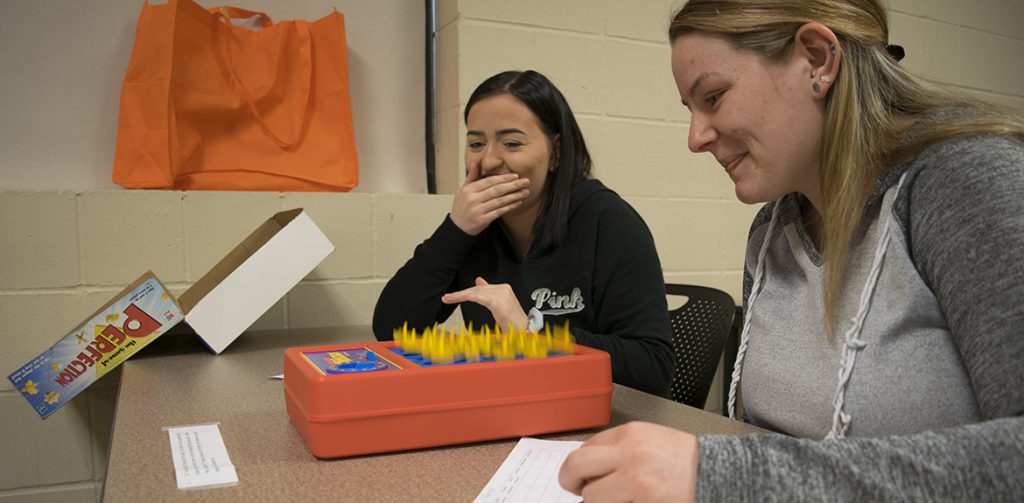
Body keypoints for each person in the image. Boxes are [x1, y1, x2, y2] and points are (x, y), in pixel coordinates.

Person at [559, 0, 1024, 500]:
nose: (695, 138)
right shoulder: (771, 231)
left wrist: (721, 475)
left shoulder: (966, 180)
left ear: (818, 60)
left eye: (713, 96)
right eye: (690, 110)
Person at [372, 70, 674, 396]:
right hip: (507, 410)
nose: (488, 161)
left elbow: (652, 367)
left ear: (555, 153)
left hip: (595, 419)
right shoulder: (474, 230)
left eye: (512, 143)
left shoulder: (609, 221)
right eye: (476, 143)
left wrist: (533, 334)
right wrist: (455, 229)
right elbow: (391, 330)